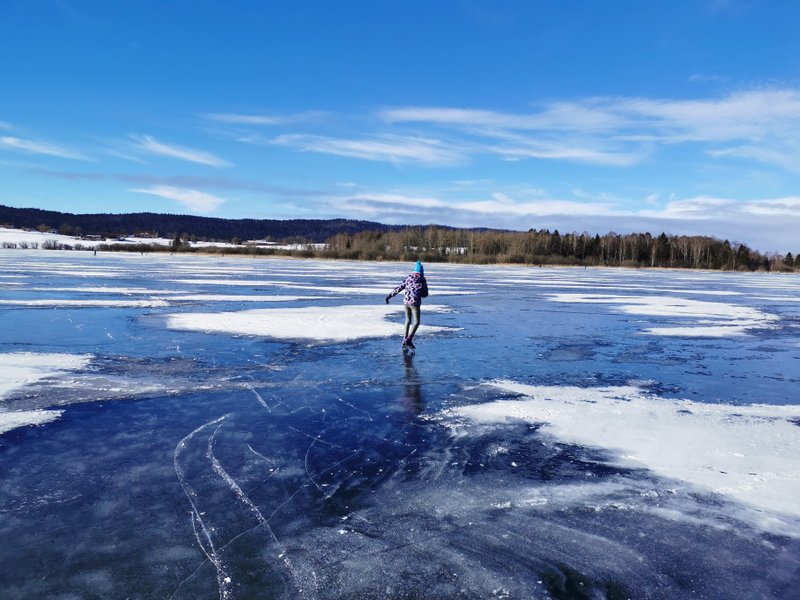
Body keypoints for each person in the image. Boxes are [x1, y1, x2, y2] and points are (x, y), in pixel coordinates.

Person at [385, 260, 429, 349]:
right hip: (415, 303)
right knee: (416, 322)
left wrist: (389, 296)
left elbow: (399, 287)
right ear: (421, 272)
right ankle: (409, 339)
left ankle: (404, 340)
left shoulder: (409, 277)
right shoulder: (422, 279)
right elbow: (425, 294)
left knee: (407, 320)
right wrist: (419, 292)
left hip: (406, 302)